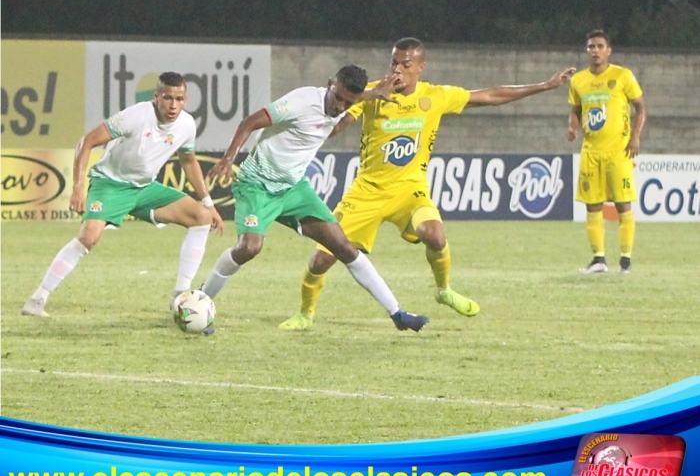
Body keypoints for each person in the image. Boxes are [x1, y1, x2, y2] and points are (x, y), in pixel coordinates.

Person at [280, 37, 576, 331]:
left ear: (421, 67)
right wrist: (365, 97)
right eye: (393, 62)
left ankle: (443, 290)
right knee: (321, 260)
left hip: (411, 190)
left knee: (434, 235)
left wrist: (545, 86)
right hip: (367, 192)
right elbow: (338, 124)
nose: (398, 69)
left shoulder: (434, 96)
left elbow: (490, 95)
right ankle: (305, 314)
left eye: (405, 64)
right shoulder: (373, 96)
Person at [201, 64, 429, 332]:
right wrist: (229, 159)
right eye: (339, 98)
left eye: (349, 102)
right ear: (330, 84)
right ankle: (201, 299)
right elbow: (249, 122)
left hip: (294, 189)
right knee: (249, 248)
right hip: (258, 186)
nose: (341, 106)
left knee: (343, 246)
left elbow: (357, 98)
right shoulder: (300, 102)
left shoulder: (350, 99)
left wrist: (374, 93)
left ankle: (398, 314)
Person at [21, 72, 224, 318]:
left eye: (179, 99)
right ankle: (37, 299)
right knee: (88, 237)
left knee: (201, 217)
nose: (173, 105)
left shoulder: (187, 125)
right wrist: (77, 186)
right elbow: (87, 142)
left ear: (186, 100)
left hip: (145, 188)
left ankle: (180, 297)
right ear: (156, 97)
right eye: (168, 98)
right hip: (110, 184)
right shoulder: (136, 116)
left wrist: (208, 202)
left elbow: (189, 161)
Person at [567, 29, 647, 274]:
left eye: (600, 46)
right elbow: (576, 109)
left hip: (618, 151)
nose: (596, 51)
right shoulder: (578, 80)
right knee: (593, 206)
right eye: (591, 47)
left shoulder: (623, 76)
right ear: (586, 51)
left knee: (623, 204)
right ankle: (599, 259)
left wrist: (635, 137)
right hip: (591, 152)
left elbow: (641, 108)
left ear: (608, 50)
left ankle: (625, 260)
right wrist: (572, 127)